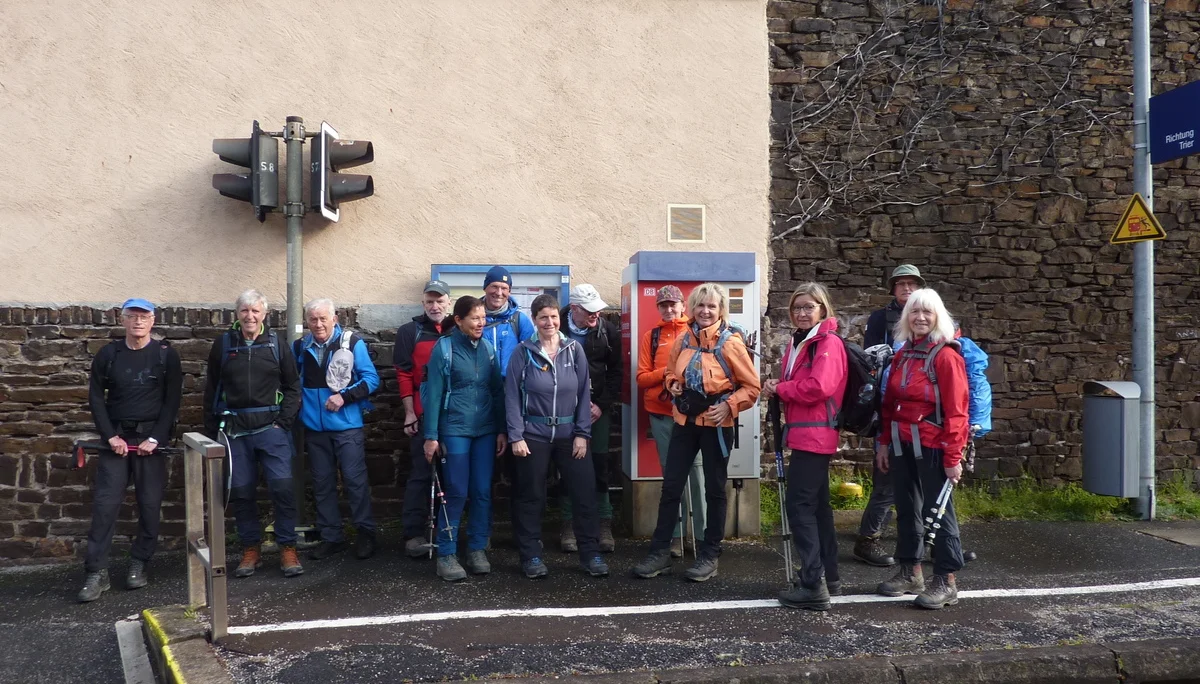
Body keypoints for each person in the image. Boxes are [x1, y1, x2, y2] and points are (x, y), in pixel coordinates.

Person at [632, 283, 761, 582]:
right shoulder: (683, 339)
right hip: (685, 422)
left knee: (714, 490)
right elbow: (670, 373)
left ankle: (709, 553)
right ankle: (660, 552)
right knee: (671, 487)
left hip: (716, 426)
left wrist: (729, 406)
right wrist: (672, 384)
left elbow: (752, 387)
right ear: (691, 309)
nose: (705, 311)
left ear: (721, 310)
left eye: (712, 306)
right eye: (700, 306)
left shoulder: (731, 343)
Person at [78, 298, 183, 602]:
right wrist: (110, 436)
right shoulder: (109, 355)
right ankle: (96, 573)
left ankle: (140, 563)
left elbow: (172, 400)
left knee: (149, 504)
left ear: (153, 321)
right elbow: (96, 398)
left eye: (144, 316)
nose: (138, 322)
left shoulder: (166, 356)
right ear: (122, 320)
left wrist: (157, 438)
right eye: (132, 316)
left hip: (150, 441)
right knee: (105, 505)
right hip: (116, 442)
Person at [875, 288, 970, 609]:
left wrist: (953, 457)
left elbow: (958, 411)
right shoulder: (903, 355)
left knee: (939, 513)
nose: (920, 318)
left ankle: (946, 580)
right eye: (914, 312)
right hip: (902, 445)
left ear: (937, 317)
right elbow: (889, 404)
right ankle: (910, 570)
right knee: (907, 510)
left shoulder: (946, 357)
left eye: (927, 313)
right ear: (906, 317)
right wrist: (885, 444)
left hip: (934, 447)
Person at [505, 295, 609, 579]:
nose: (549, 322)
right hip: (532, 435)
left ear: (559, 318)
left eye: (553, 317)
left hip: (570, 434)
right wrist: (516, 435)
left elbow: (584, 393)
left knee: (584, 495)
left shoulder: (574, 350)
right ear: (535, 320)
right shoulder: (522, 352)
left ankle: (590, 554)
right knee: (531, 497)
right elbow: (512, 396)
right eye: (542, 317)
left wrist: (582, 434)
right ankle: (531, 556)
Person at [203, 290, 303, 579]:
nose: (250, 316)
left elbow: (293, 386)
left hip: (271, 429)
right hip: (235, 432)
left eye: (255, 311)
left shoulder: (276, 344)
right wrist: (211, 430)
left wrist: (283, 423)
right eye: (245, 311)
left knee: (282, 489)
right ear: (237, 314)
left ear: (264, 314)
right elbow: (211, 389)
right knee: (242, 492)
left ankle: (287, 548)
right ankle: (251, 550)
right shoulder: (223, 345)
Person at [762, 283, 847, 611]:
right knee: (818, 507)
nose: (801, 312)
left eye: (808, 307)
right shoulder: (801, 342)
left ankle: (813, 583)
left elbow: (820, 386)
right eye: (797, 307)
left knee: (799, 506)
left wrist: (782, 389)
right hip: (806, 434)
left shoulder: (826, 343)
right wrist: (778, 387)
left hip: (815, 435)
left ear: (822, 309)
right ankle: (830, 575)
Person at [422, 296, 507, 581]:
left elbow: (497, 392)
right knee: (456, 490)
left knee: (482, 491)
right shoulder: (443, 349)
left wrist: (501, 430)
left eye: (483, 318)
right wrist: (431, 436)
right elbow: (433, 395)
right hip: (454, 430)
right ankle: (446, 554)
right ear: (458, 320)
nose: (481, 323)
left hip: (484, 430)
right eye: (474, 318)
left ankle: (477, 548)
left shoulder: (488, 349)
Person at [295, 299, 381, 561]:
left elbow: (371, 379)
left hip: (347, 427)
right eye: (313, 319)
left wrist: (344, 396)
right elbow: (293, 383)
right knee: (322, 484)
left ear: (334, 318)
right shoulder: (299, 347)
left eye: (323, 319)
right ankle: (332, 537)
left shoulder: (352, 343)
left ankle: (366, 535)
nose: (318, 324)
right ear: (307, 322)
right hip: (315, 428)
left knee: (355, 482)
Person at [854, 264, 927, 568]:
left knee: (925, 480)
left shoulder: (930, 316)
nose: (907, 289)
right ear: (893, 289)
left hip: (924, 413)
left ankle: (927, 542)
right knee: (888, 478)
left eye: (912, 284)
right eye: (901, 285)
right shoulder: (879, 319)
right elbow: (869, 363)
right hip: (890, 407)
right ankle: (868, 539)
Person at [635, 285, 703, 558]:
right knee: (672, 475)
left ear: (683, 305)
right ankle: (674, 535)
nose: (668, 309)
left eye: (673, 304)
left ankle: (699, 536)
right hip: (662, 414)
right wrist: (668, 371)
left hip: (692, 414)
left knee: (697, 475)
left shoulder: (696, 331)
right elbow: (642, 378)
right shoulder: (650, 337)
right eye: (663, 305)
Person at [394, 279, 454, 558]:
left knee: (454, 475)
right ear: (423, 304)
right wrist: (409, 413)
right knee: (420, 474)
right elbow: (404, 374)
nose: (435, 306)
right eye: (430, 301)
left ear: (448, 303)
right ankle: (414, 533)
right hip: (421, 410)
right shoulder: (410, 331)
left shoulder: (458, 328)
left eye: (440, 301)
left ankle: (448, 531)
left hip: (454, 413)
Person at [560, 284, 621, 553]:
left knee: (599, 461)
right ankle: (568, 523)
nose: (596, 314)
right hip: (562, 410)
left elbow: (616, 372)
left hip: (596, 410)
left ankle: (603, 522)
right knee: (566, 464)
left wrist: (601, 405)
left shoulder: (607, 331)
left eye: (598, 309)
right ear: (574, 309)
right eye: (590, 310)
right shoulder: (555, 327)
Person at [481, 266, 536, 378]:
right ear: (485, 287)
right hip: (480, 387)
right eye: (494, 286)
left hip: (510, 387)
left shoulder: (519, 320)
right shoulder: (473, 317)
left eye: (504, 288)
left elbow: (532, 357)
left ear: (509, 291)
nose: (499, 292)